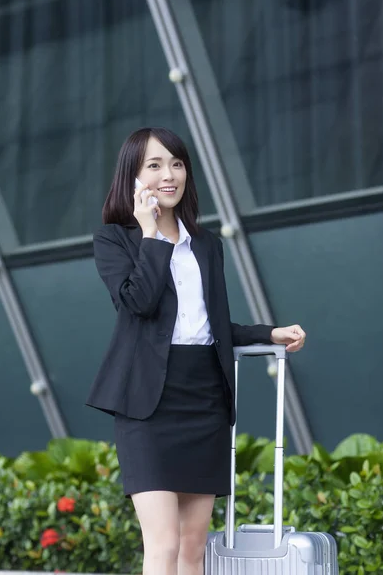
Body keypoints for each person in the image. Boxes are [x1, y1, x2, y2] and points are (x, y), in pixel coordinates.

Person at [86, 127, 306, 575]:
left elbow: (207, 325)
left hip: (203, 399)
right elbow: (138, 303)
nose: (169, 175)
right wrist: (151, 235)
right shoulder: (114, 239)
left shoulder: (207, 246)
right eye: (155, 165)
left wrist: (268, 332)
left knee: (193, 550)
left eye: (177, 163)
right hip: (148, 403)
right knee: (163, 547)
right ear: (133, 176)